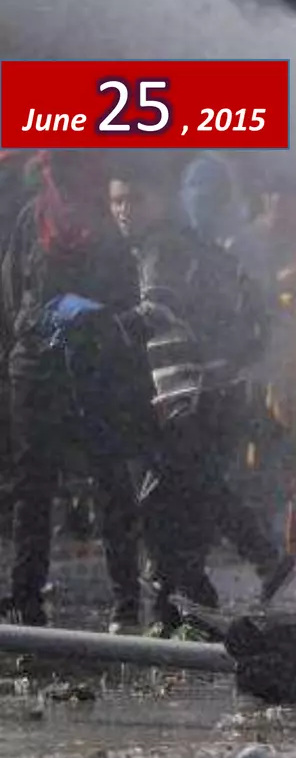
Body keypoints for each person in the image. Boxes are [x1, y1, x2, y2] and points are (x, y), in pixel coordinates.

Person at [109, 166, 294, 631]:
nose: (124, 211)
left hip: (192, 394)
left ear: (157, 201)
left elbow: (158, 306)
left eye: (133, 199)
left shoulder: (161, 246)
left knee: (173, 500)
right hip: (209, 390)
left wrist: (100, 326)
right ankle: (186, 604)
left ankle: (250, 566)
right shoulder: (199, 248)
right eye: (116, 202)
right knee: (189, 496)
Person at [0, 151, 151, 630]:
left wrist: (90, 325)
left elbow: (128, 299)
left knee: (108, 486)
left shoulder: (103, 223)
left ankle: (126, 603)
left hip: (90, 373)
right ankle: (27, 598)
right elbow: (13, 291)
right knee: (36, 489)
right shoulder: (36, 217)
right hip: (43, 370)